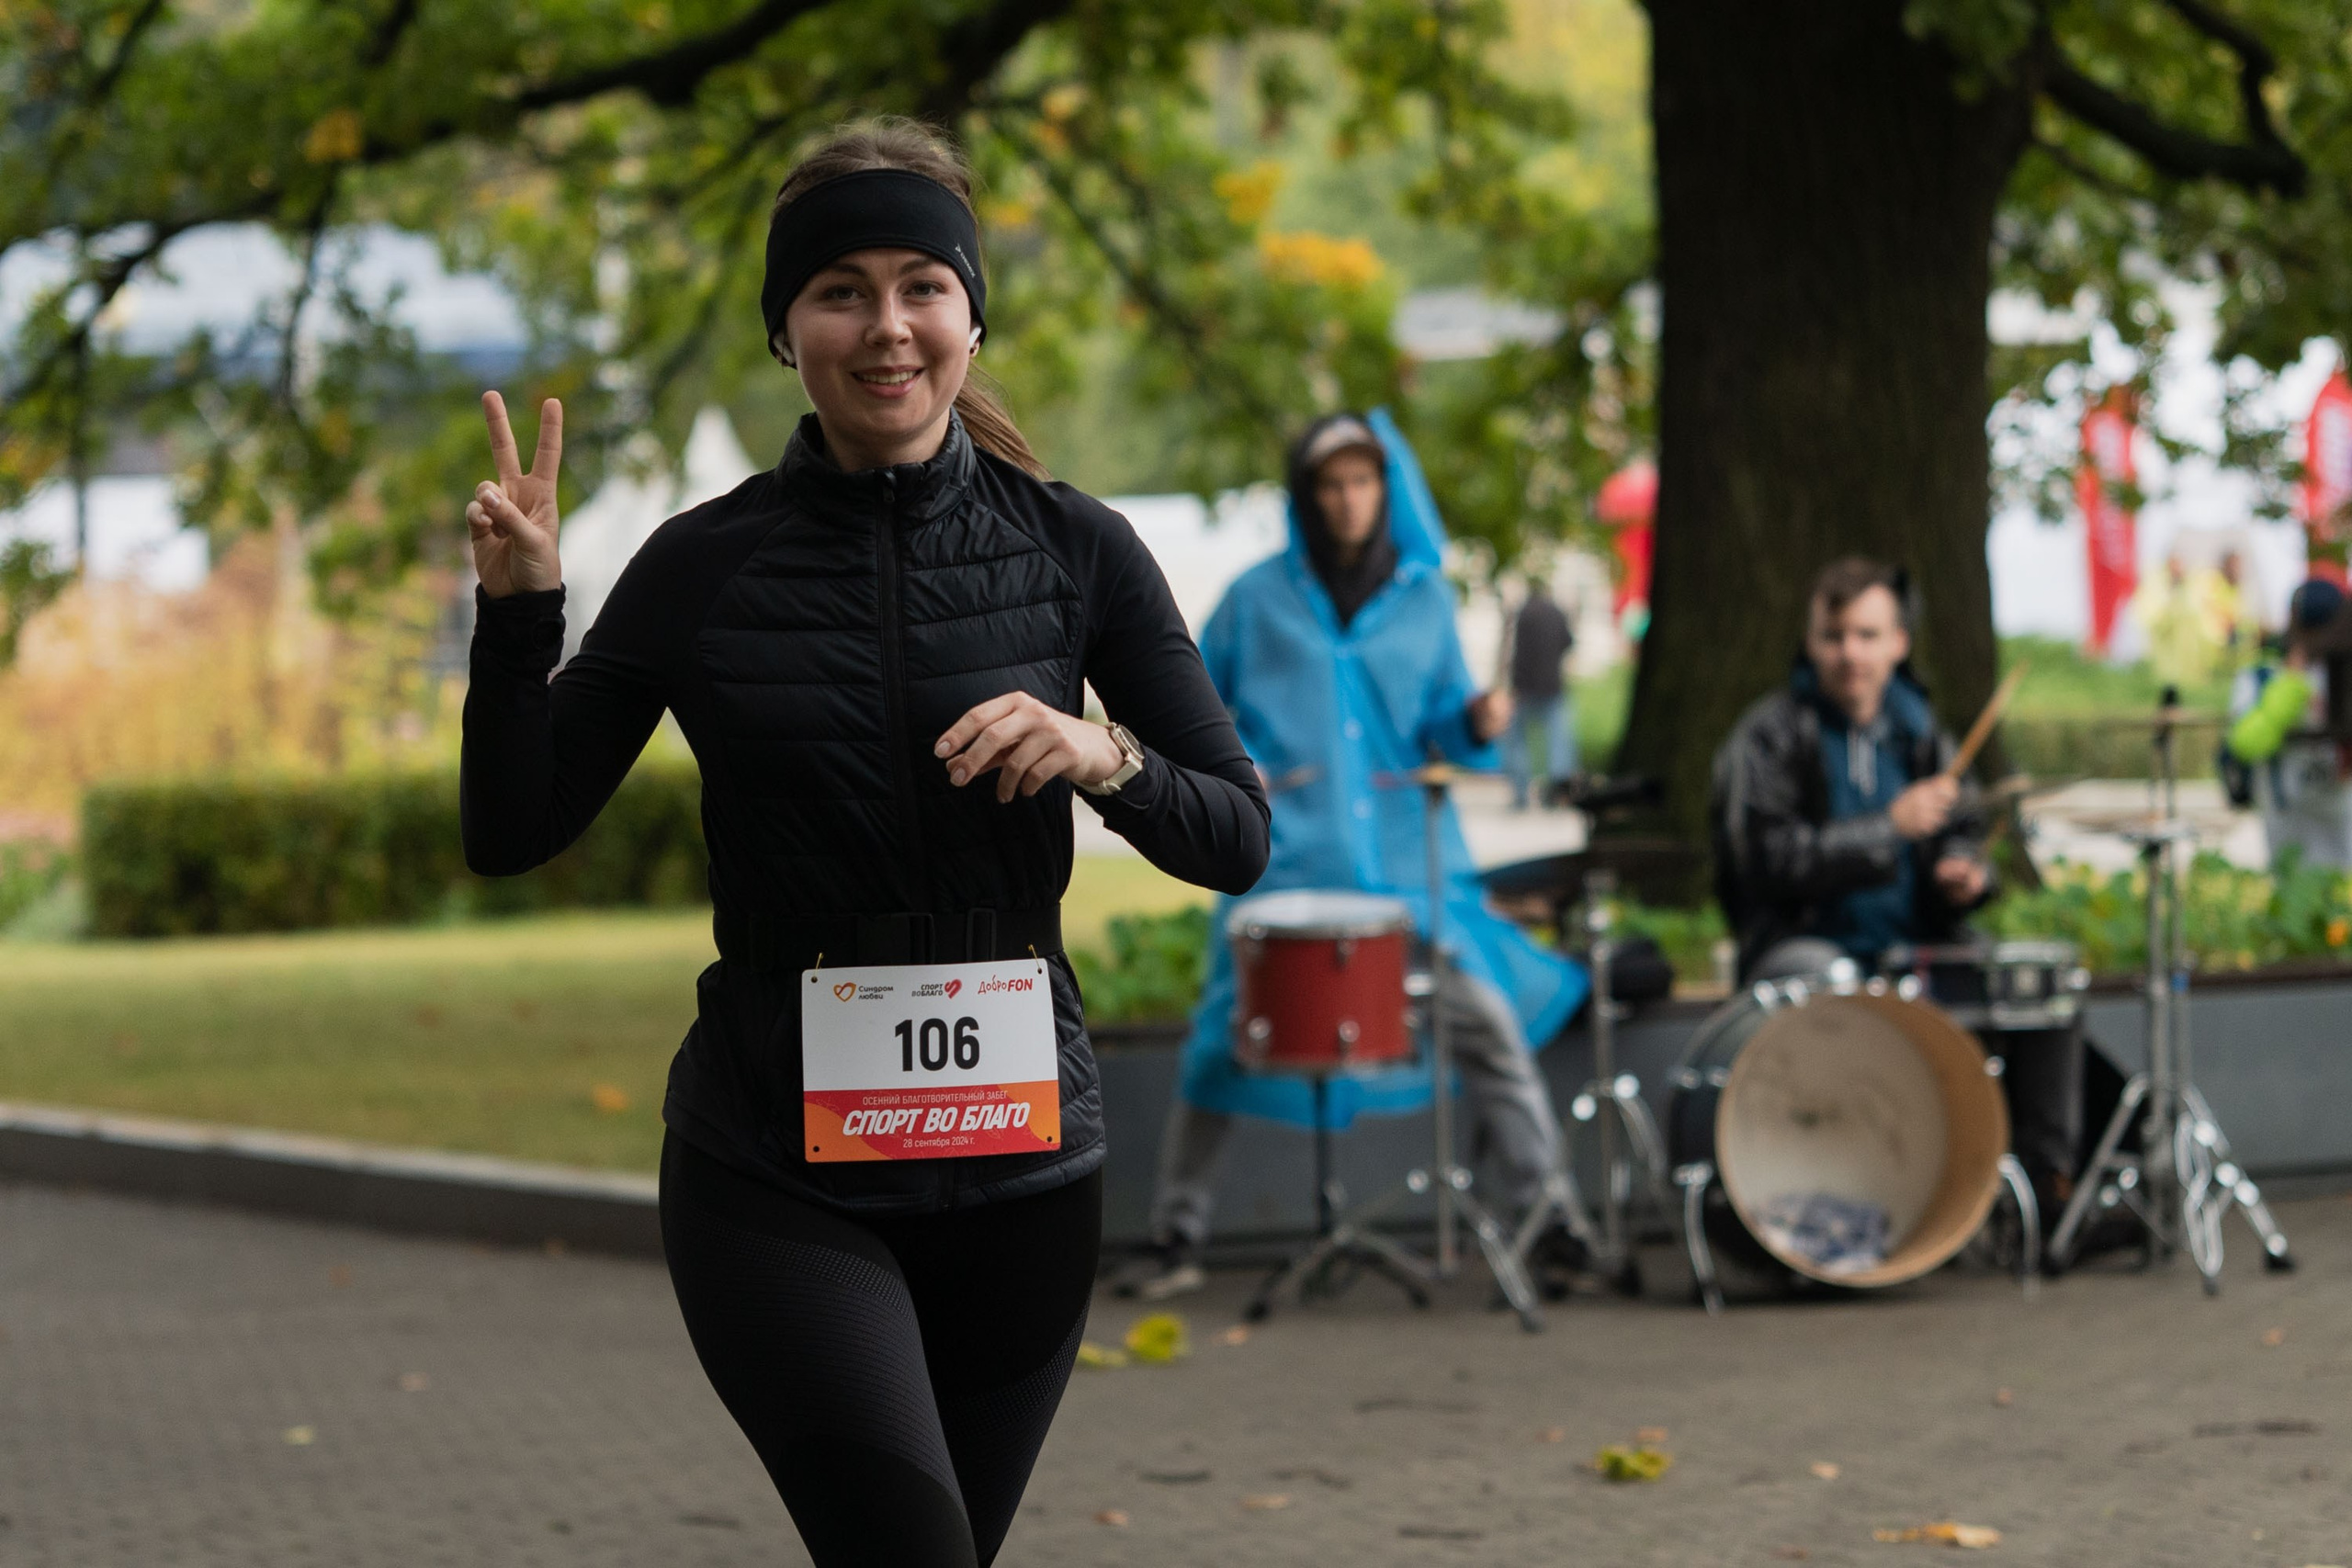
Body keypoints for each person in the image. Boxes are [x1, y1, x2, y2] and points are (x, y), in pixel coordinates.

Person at [458, 120, 1267, 1568]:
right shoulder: (705, 564)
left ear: (968, 312)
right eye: (839, 288)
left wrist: (1106, 752)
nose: (885, 326)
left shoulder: (1075, 549)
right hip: (778, 1175)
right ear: (787, 330)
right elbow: (514, 828)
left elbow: (1238, 834)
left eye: (921, 285)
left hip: (1024, 1174)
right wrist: (522, 620)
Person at [1111, 411, 1590, 1301]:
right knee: (1218, 1041)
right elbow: (1188, 706)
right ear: (1305, 496)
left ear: (1387, 487)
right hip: (1281, 868)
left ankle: (1554, 1217)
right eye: (1328, 484)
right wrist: (1233, 767)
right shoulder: (1254, 601)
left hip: (1408, 873)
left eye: (1362, 481)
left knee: (1483, 1021)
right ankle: (1174, 1236)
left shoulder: (1424, 598)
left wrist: (1473, 725)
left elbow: (1440, 723)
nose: (1346, 500)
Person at [1710, 559, 2090, 1215]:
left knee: (2040, 982)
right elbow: (1763, 862)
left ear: (1898, 643)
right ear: (1810, 641)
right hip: (1805, 944)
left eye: (1866, 634)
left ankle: (2041, 1195)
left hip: (1913, 948)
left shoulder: (1918, 731)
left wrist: (1966, 875)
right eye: (1834, 636)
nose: (1849, 653)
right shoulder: (1769, 736)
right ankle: (1848, 1192)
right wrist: (1886, 829)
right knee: (1832, 977)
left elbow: (1961, 832)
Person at [2222, 578, 2352, 870]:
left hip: (2340, 822)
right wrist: (2292, 682)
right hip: (2288, 823)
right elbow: (2246, 741)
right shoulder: (2261, 677)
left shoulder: (2343, 672)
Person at [1503, 577, 1577, 808]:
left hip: (1523, 686)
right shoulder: (1557, 612)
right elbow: (1568, 642)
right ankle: (1556, 793)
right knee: (1558, 743)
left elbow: (1513, 648)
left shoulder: (1522, 613)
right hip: (1552, 685)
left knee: (1517, 742)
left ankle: (1520, 794)